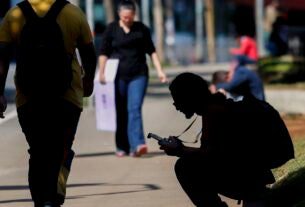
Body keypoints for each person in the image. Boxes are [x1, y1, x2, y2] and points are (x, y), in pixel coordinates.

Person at [0, 0, 96, 206]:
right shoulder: (73, 13)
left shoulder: (14, 15)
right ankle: (53, 196)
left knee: (38, 152)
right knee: (61, 149)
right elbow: (89, 53)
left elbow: (2, 58)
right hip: (67, 97)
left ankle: (41, 201)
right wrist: (88, 82)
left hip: (28, 97)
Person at [158, 72, 277, 207]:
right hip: (250, 176)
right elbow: (213, 153)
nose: (176, 105)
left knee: (185, 167)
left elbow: (212, 155)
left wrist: (181, 150)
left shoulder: (213, 111)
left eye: (177, 99)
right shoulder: (214, 106)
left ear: (189, 97)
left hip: (248, 179)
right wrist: (182, 149)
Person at [98, 0, 168, 157]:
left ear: (134, 15)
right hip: (117, 76)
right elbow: (103, 52)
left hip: (139, 74)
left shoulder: (142, 29)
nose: (127, 20)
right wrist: (101, 72)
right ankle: (122, 146)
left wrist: (160, 71)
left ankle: (137, 144)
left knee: (134, 108)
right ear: (119, 15)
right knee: (121, 111)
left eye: (129, 17)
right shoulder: (111, 29)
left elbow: (152, 51)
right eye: (124, 17)